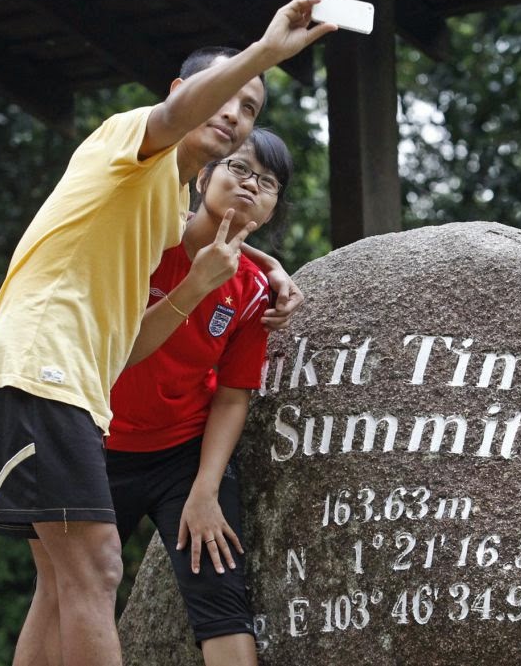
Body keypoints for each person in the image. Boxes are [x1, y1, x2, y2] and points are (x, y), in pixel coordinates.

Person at [0, 0, 336, 666]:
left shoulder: (165, 207)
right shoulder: (128, 139)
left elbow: (138, 335)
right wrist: (265, 50)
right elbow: (171, 117)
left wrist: (254, 267)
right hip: (37, 369)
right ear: (183, 91)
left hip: (73, 387)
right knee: (99, 567)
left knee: (61, 582)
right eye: (223, 97)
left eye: (250, 109)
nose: (234, 115)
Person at [105, 128, 294, 666]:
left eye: (268, 182)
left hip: (182, 454)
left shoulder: (256, 288)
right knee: (70, 588)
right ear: (203, 175)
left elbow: (234, 395)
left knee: (221, 597)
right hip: (97, 441)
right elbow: (119, 351)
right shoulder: (147, 240)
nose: (250, 185)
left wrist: (205, 490)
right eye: (238, 168)